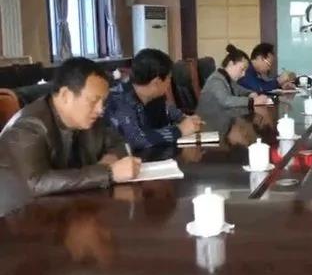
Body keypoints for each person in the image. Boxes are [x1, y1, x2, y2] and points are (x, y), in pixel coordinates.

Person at [0, 58, 141, 196]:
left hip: (70, 202)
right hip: (21, 209)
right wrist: (108, 173)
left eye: (103, 102)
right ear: (65, 95)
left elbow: (119, 143)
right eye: (93, 100)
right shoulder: (28, 126)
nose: (100, 109)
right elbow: (36, 182)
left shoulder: (89, 118)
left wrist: (111, 157)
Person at [105, 49, 203, 150]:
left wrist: (186, 119)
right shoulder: (119, 100)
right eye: (169, 78)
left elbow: (172, 113)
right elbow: (136, 139)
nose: (169, 82)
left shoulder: (155, 97)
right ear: (157, 82)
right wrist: (180, 130)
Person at [196, 44, 271, 124]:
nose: (243, 74)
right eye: (242, 69)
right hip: (208, 124)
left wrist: (251, 93)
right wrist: (252, 101)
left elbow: (240, 90)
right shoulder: (216, 80)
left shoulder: (227, 79)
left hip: (220, 120)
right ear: (231, 64)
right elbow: (226, 101)